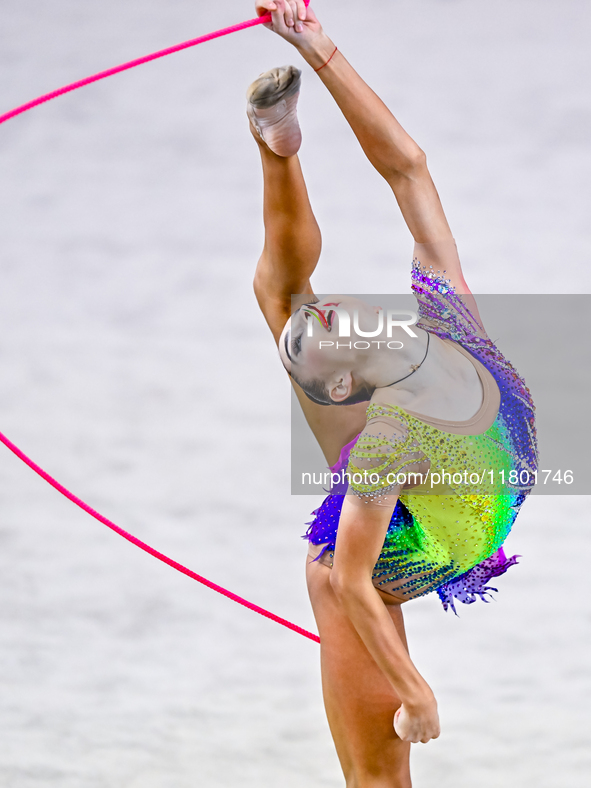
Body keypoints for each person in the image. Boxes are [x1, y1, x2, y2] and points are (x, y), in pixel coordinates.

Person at [248, 2, 537, 785]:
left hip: (442, 510)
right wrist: (417, 695)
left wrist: (318, 46)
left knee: (282, 301)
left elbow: (406, 167)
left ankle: (279, 147)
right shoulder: (382, 440)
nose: (329, 311)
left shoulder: (450, 319)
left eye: (328, 313)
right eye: (323, 334)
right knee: (380, 777)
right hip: (374, 556)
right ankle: (278, 155)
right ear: (344, 385)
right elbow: (349, 578)